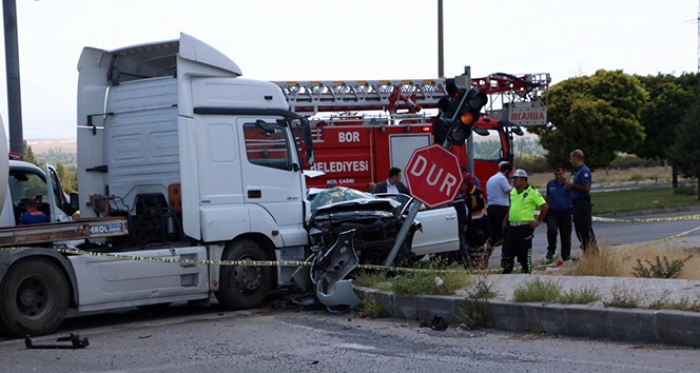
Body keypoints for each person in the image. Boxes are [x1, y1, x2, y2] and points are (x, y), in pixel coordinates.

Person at [502, 169, 548, 274]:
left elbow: (545, 207)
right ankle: (507, 271)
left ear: (523, 179)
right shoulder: (513, 191)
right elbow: (511, 207)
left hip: (524, 227)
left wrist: (537, 222)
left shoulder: (532, 192)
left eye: (516, 179)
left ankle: (526, 272)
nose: (513, 181)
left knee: (524, 252)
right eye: (513, 179)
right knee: (507, 250)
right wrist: (505, 220)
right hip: (512, 226)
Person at [566, 149, 597, 253]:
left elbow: (586, 188)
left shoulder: (584, 171)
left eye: (571, 159)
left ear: (575, 158)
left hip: (582, 204)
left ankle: (593, 252)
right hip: (576, 204)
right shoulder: (578, 171)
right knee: (579, 229)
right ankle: (586, 250)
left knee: (585, 229)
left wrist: (572, 186)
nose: (571, 161)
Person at [545, 164, 572, 261]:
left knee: (565, 236)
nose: (558, 176)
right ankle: (551, 249)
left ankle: (565, 256)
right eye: (556, 174)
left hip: (565, 213)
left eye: (560, 174)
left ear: (564, 173)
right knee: (551, 230)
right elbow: (548, 197)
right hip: (553, 212)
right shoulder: (550, 184)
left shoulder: (568, 185)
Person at [486, 161, 513, 248]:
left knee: (494, 236)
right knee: (507, 234)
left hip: (491, 208)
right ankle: (506, 257)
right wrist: (511, 183)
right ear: (506, 171)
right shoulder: (502, 179)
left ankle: (485, 257)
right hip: (501, 209)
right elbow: (511, 192)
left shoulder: (491, 178)